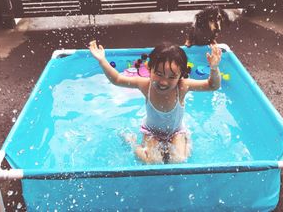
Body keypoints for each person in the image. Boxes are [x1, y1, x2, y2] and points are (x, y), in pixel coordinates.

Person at [89, 41, 222, 164]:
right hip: (151, 131)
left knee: (179, 160)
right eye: (159, 74)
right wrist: (102, 60)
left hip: (176, 131)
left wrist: (214, 68)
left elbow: (212, 86)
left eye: (171, 77)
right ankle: (132, 141)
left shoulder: (182, 87)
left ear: (180, 75)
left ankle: (186, 140)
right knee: (153, 161)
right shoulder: (145, 85)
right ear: (149, 68)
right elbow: (117, 79)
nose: (164, 82)